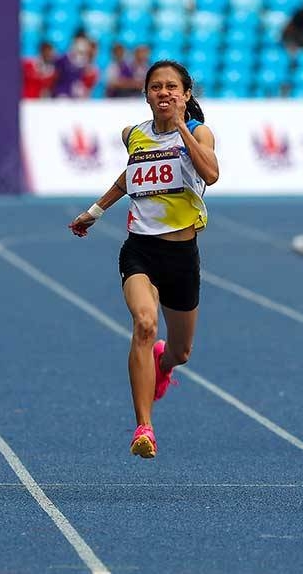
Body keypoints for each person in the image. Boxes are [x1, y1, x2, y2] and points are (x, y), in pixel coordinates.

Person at [69, 60, 218, 459]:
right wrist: (96, 211)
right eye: (156, 87)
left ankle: (164, 366)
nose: (164, 93)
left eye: (172, 87)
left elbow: (212, 174)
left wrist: (183, 129)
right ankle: (144, 427)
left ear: (186, 95)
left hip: (182, 254)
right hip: (140, 251)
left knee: (181, 351)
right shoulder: (133, 135)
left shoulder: (200, 132)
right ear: (147, 94)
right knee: (145, 324)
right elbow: (129, 174)